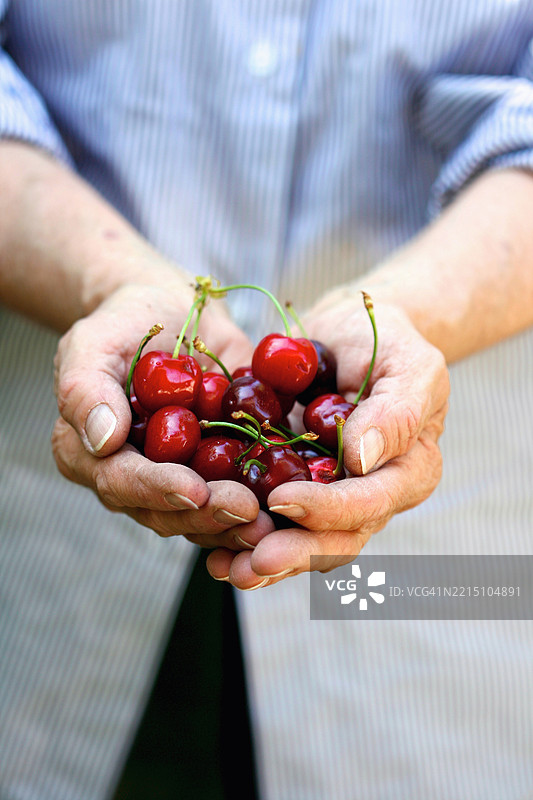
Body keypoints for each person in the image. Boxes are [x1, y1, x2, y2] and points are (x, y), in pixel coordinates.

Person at [1, 1, 532, 797]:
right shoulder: (210, 411)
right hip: (45, 530)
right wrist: (106, 277)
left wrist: (407, 313)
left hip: (447, 546)